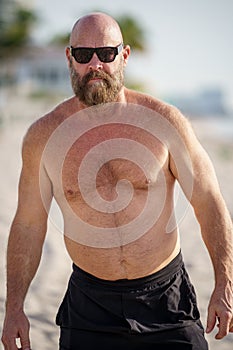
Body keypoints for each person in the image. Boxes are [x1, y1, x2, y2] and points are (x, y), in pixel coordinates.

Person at [1, 12, 233, 350]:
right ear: (70, 58)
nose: (95, 64)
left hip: (165, 301)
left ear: (123, 55)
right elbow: (27, 225)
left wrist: (224, 285)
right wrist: (15, 307)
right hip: (89, 307)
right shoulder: (43, 137)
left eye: (106, 54)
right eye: (83, 55)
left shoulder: (164, 122)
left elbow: (209, 201)